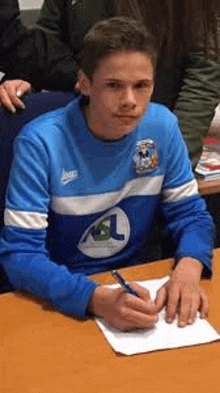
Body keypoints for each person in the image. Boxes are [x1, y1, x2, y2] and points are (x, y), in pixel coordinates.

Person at [0, 17, 214, 331]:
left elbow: (191, 215)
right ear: (84, 83)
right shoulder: (41, 142)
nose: (130, 101)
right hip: (62, 295)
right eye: (114, 85)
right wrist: (95, 298)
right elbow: (19, 255)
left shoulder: (163, 126)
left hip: (139, 285)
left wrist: (189, 267)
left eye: (142, 86)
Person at [0, 0, 220, 166]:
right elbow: (47, 38)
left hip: (152, 136)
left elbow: (203, 74)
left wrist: (176, 157)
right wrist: (26, 76)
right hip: (83, 136)